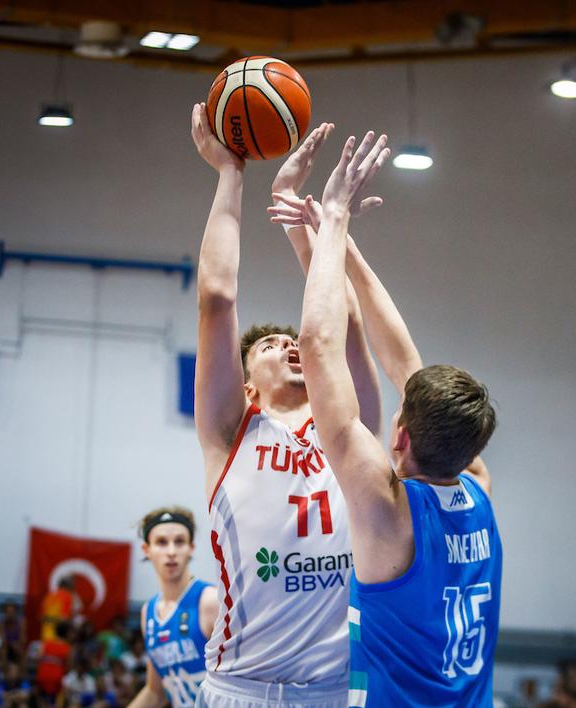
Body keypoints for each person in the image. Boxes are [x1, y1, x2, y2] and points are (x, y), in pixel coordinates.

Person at [270, 129, 501, 706]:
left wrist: (339, 218)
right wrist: (337, 239)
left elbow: (320, 343)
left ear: (401, 435)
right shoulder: (478, 490)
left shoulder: (388, 510)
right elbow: (408, 368)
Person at [189, 103, 381, 707]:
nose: (291, 346)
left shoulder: (349, 432)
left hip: (330, 694)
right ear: (247, 387)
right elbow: (217, 299)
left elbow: (342, 322)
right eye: (272, 346)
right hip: (239, 689)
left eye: (294, 340)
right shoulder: (231, 432)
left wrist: (301, 218)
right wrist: (230, 175)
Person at [130, 506, 217, 708]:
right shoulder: (148, 613)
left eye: (179, 542)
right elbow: (155, 692)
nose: (171, 551)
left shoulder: (210, 601)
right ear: (146, 550)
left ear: (191, 548)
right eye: (161, 542)